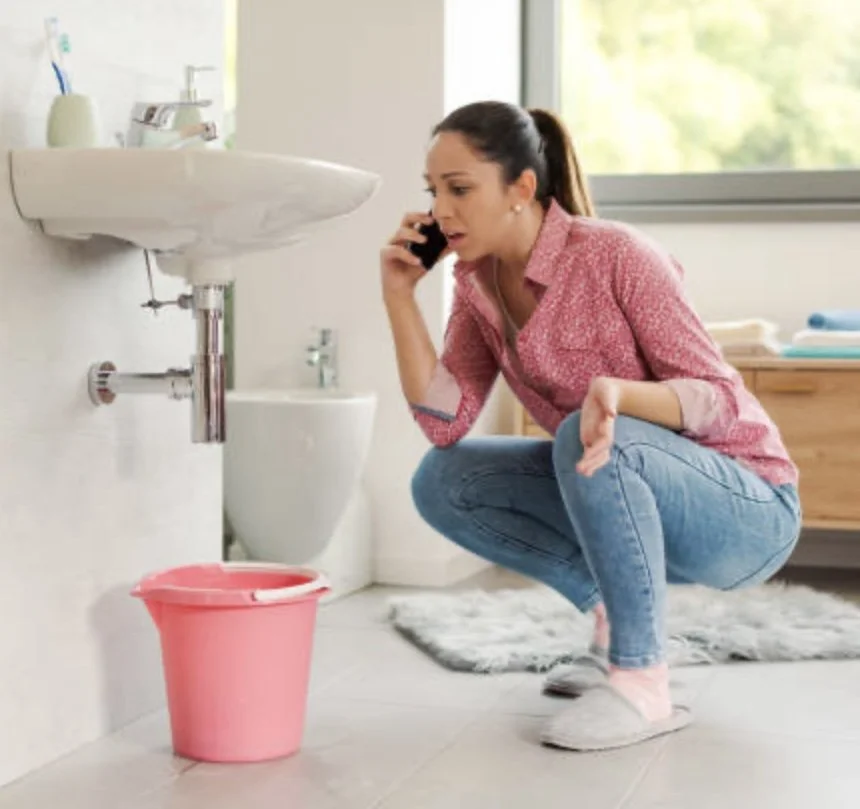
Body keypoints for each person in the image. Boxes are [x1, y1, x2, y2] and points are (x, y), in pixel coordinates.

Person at [380, 100, 801, 751]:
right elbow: (445, 421)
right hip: (631, 494)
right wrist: (399, 297)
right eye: (433, 190)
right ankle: (619, 625)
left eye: (459, 188)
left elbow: (716, 396)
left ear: (522, 188)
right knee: (445, 479)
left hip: (748, 509)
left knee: (586, 431)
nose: (441, 209)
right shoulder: (478, 284)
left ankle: (642, 684)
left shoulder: (617, 255)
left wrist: (619, 393)